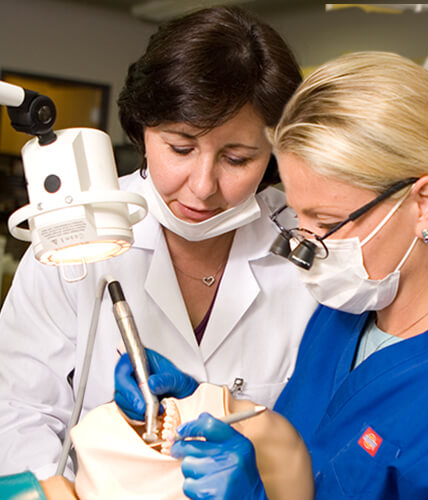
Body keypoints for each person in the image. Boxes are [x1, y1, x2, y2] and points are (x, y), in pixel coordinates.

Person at [119, 51, 428, 499]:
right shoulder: (344, 319)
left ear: (425, 206)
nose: (307, 247)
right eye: (299, 218)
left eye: (327, 220)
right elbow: (317, 454)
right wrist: (203, 400)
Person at [0, 5, 316, 490]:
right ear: (142, 129)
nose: (203, 186)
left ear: (274, 155)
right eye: (181, 148)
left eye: (237, 158)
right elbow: (18, 409)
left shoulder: (312, 248)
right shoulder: (76, 234)